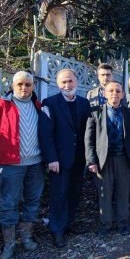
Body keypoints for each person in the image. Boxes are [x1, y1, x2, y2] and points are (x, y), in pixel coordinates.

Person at [0, 71, 50, 259]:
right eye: (20, 84)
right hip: (11, 164)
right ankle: (9, 244)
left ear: (33, 86)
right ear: (12, 85)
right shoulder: (0, 106)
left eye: (28, 84)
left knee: (32, 200)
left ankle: (26, 237)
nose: (24, 88)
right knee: (9, 202)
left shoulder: (38, 106)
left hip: (36, 163)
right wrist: (0, 152)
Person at [41, 69, 90, 248]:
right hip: (59, 160)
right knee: (59, 194)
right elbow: (46, 134)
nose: (67, 85)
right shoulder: (50, 103)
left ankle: (68, 223)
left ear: (76, 81)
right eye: (63, 82)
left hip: (79, 158)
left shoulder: (84, 103)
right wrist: (51, 158)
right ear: (58, 84)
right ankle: (57, 230)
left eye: (70, 81)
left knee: (74, 192)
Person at [86, 81, 130, 235]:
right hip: (104, 160)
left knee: (123, 193)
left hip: (124, 158)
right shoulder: (95, 112)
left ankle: (123, 224)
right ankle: (105, 226)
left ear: (123, 94)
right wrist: (91, 161)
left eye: (118, 91)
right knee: (104, 194)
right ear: (104, 93)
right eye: (111, 91)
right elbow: (89, 139)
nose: (114, 94)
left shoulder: (129, 113)